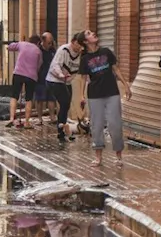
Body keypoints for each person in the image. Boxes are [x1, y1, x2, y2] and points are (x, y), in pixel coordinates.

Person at [80, 30, 132, 166]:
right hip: (94, 95)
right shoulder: (84, 59)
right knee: (96, 126)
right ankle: (98, 157)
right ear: (85, 41)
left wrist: (126, 85)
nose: (93, 34)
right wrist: (81, 95)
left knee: (115, 124)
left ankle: (119, 156)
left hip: (112, 92)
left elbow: (116, 69)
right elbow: (83, 78)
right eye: (89, 34)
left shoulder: (106, 52)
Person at [47, 31, 86, 142]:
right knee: (64, 102)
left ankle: (62, 129)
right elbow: (55, 65)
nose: (80, 48)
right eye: (78, 44)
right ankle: (61, 130)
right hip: (54, 80)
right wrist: (61, 75)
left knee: (66, 105)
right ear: (73, 42)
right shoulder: (64, 50)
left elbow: (83, 71)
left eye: (82, 45)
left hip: (67, 82)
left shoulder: (81, 54)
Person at [5, 35, 43, 128]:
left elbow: (9, 47)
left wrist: (17, 44)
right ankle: (26, 122)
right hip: (31, 76)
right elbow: (39, 64)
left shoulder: (22, 44)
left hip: (18, 73)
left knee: (14, 96)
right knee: (28, 99)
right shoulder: (38, 51)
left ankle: (11, 118)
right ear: (38, 43)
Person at [31, 32, 56, 126]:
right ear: (43, 41)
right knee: (39, 99)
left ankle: (52, 117)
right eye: (49, 42)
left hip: (51, 77)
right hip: (40, 77)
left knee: (51, 98)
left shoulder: (53, 50)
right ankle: (40, 118)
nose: (50, 44)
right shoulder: (38, 50)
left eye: (51, 42)